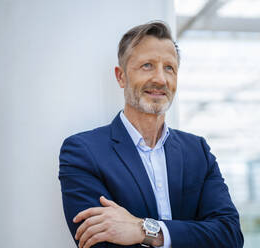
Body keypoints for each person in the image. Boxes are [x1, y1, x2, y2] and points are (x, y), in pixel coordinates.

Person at [59, 21, 243, 248]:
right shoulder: (83, 152)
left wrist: (143, 230)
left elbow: (229, 235)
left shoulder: (198, 151)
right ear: (121, 77)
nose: (160, 79)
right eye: (147, 65)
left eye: (169, 68)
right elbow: (99, 244)